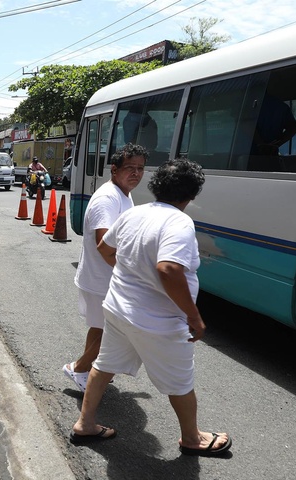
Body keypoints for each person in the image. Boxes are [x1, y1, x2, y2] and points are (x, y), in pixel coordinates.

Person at [71, 159, 232, 457]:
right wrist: (193, 316)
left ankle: (85, 423)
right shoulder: (179, 222)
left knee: (104, 366)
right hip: (157, 320)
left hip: (119, 310)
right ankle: (192, 438)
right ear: (192, 194)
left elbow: (106, 248)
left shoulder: (136, 213)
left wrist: (130, 273)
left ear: (157, 186)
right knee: (180, 381)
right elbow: (169, 268)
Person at [63, 143, 147, 392]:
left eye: (140, 168)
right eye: (130, 168)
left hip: (107, 278)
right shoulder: (107, 199)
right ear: (114, 169)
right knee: (107, 331)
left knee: (103, 329)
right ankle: (78, 368)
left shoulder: (123, 193)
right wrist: (130, 273)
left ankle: (87, 369)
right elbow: (103, 244)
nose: (136, 173)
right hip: (102, 279)